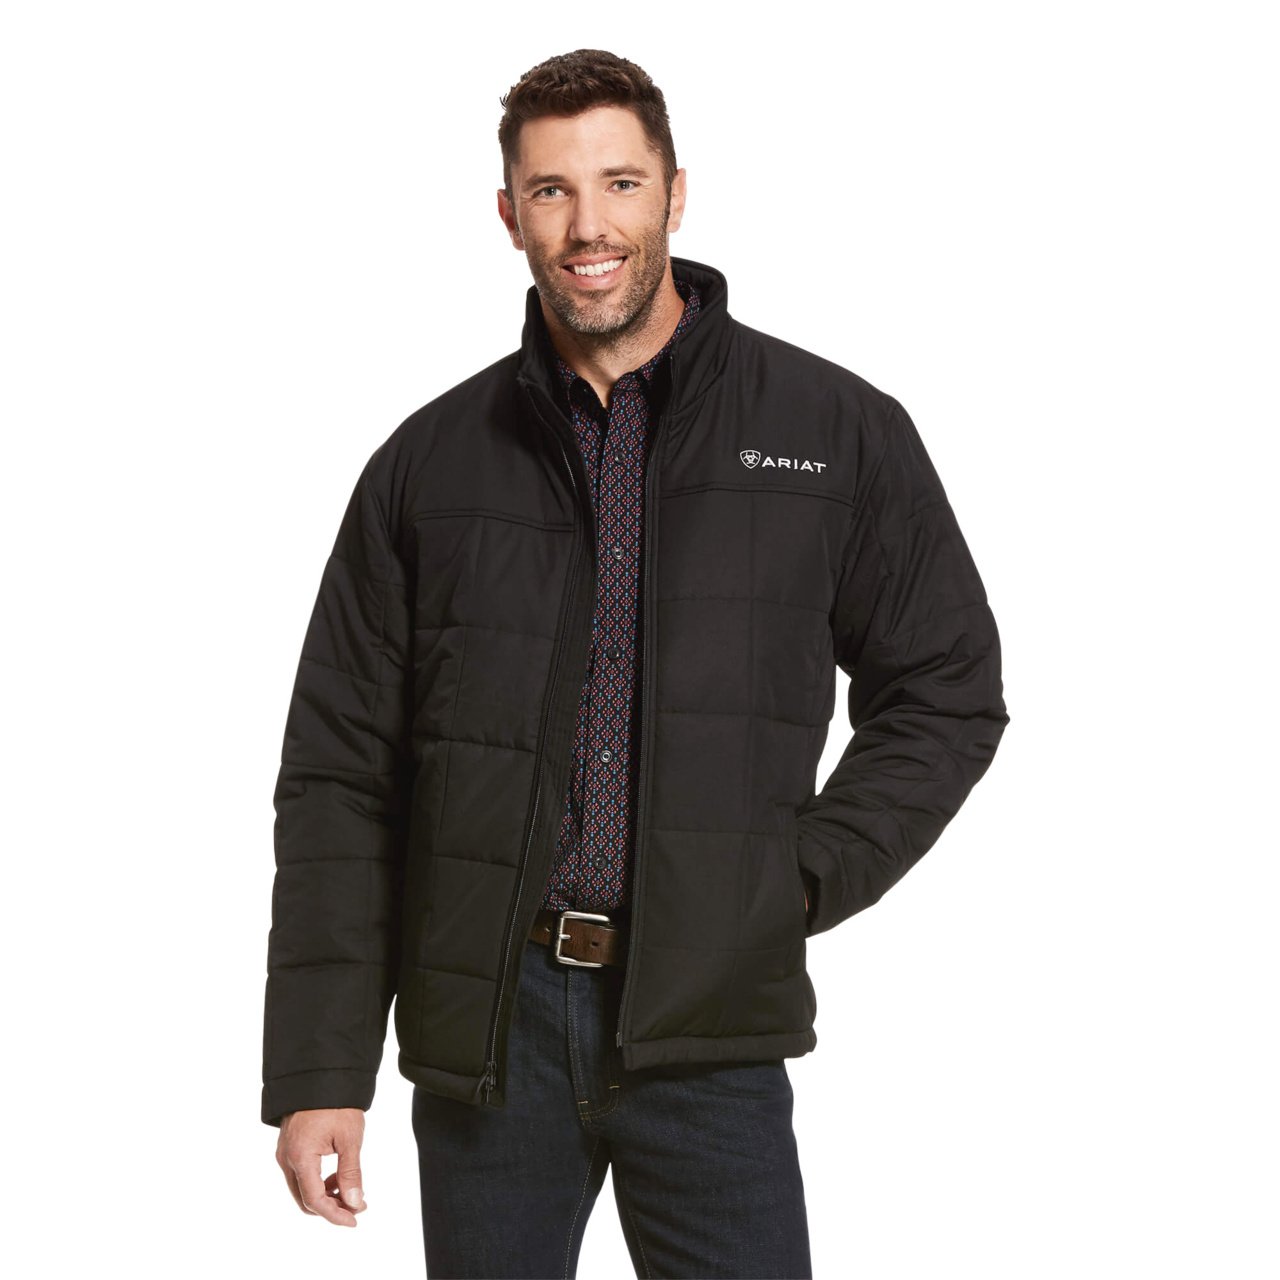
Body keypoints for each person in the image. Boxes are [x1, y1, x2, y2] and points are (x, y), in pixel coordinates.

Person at [262, 47, 1009, 1279]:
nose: (587, 226)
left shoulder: (832, 432)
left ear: (675, 193)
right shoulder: (428, 464)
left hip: (709, 1022)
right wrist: (318, 1067)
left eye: (619, 182)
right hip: (490, 1026)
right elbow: (340, 772)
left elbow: (944, 689)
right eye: (550, 191)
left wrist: (795, 881)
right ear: (508, 215)